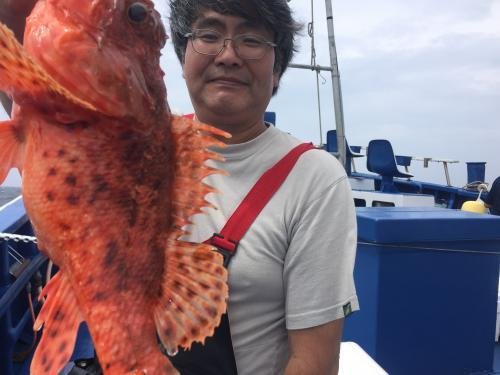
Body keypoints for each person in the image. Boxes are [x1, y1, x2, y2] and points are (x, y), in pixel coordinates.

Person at [1, 1, 359, 374]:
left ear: (277, 71)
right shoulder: (136, 141)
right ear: (182, 59)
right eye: (208, 34)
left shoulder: (315, 178)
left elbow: (313, 363)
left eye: (252, 40)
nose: (229, 55)